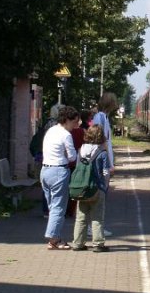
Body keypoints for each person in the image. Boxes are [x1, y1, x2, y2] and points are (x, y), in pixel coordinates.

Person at [41, 105, 79, 250]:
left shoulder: (50, 131)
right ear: (67, 120)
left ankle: (53, 237)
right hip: (59, 171)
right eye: (74, 122)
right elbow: (72, 157)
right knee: (58, 208)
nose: (75, 126)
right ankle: (54, 239)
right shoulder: (66, 135)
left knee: (52, 206)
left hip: (45, 171)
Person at [71, 124, 111, 252]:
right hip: (97, 188)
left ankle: (78, 243)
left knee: (81, 218)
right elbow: (106, 173)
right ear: (101, 137)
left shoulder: (81, 150)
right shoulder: (102, 153)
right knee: (97, 217)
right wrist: (105, 187)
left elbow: (78, 168)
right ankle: (98, 244)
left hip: (82, 188)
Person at [93, 93, 117, 174]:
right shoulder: (100, 117)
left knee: (104, 179)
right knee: (102, 179)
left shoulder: (104, 117)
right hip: (101, 158)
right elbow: (100, 139)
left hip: (104, 157)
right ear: (109, 104)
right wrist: (109, 163)